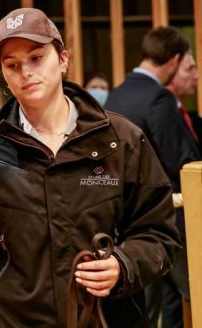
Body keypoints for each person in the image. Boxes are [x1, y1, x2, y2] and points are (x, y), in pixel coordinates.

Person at [0, 8, 180, 327]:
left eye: (36, 58)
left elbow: (160, 235)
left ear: (63, 59)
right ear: (5, 76)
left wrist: (123, 265)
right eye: (12, 65)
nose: (25, 72)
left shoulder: (122, 140)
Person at [105, 27, 200, 328]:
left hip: (125, 218)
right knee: (194, 297)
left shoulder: (115, 95)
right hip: (171, 219)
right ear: (173, 61)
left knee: (159, 307)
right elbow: (181, 160)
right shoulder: (158, 97)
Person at [166, 51, 202, 151]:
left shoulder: (191, 117)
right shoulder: (163, 114)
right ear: (171, 70)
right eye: (190, 69)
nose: (196, 76)